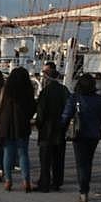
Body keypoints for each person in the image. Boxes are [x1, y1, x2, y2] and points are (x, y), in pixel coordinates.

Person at [61, 72, 101, 202]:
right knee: (88, 161)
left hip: (79, 133)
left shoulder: (75, 98)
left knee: (81, 163)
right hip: (94, 134)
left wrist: (62, 129)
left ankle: (83, 191)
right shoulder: (99, 99)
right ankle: (84, 188)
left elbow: (66, 115)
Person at [0, 66, 36, 191]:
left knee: (8, 153)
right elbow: (32, 108)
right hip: (22, 124)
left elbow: (0, 107)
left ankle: (8, 181)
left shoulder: (6, 90)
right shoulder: (28, 91)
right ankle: (26, 181)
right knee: (23, 153)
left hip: (7, 124)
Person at [35, 62, 70, 192]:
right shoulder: (64, 90)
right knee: (59, 157)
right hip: (60, 128)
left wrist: (39, 124)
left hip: (46, 129)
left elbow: (41, 111)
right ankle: (57, 181)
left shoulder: (45, 92)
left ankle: (44, 181)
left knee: (45, 158)